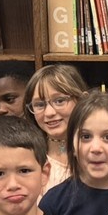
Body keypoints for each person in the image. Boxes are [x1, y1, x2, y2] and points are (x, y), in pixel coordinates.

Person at [24, 63, 88, 192]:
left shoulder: (97, 150)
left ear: (82, 100)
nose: (49, 113)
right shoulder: (26, 156)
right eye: (39, 105)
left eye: (59, 101)